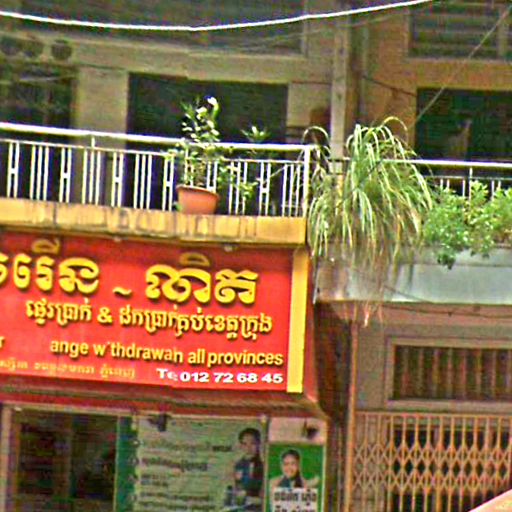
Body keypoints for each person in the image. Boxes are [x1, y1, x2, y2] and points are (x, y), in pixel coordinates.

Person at [229, 428, 263, 510]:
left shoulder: (263, 466)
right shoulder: (238, 465)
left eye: (252, 443)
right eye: (245, 444)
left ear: (259, 444)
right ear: (240, 445)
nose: (248, 448)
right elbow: (236, 487)